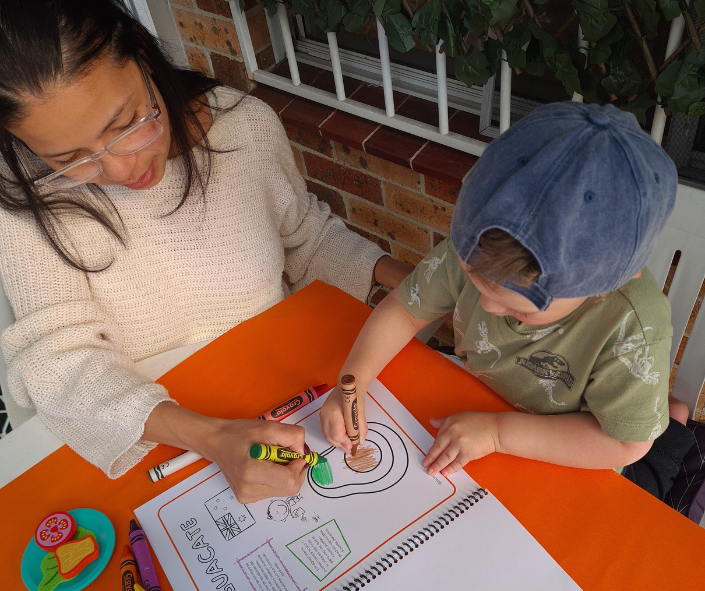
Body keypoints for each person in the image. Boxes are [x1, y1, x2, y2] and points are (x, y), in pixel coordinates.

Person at [0, 0, 412, 502]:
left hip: (289, 396)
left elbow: (307, 237)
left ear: (143, 53)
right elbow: (56, 362)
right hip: (148, 437)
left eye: (127, 125)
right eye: (71, 161)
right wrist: (210, 437)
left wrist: (415, 281)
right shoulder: (22, 193)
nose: (122, 173)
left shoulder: (244, 129)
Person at [320, 101, 696, 499]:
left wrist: (498, 433)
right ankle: (657, 408)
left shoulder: (635, 327)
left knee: (657, 462)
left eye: (519, 308)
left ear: (610, 283)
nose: (487, 308)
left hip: (576, 445)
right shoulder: (482, 246)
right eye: (471, 280)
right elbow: (404, 310)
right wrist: (355, 380)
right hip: (486, 393)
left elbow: (624, 445)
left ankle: (668, 417)